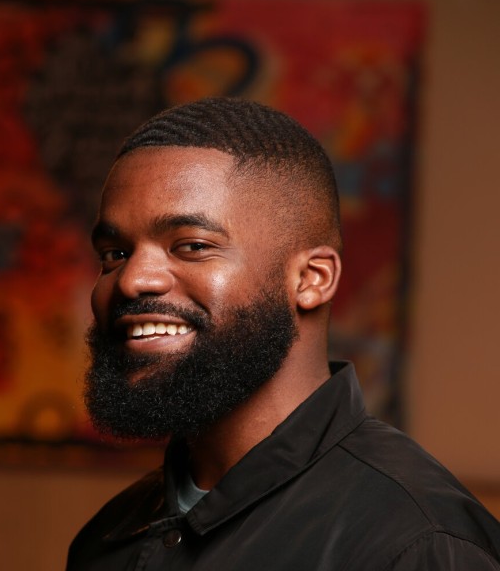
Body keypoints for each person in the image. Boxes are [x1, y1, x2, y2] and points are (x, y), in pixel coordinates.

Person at [67, 98, 500, 570]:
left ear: (311, 279)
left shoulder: (419, 543)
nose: (132, 280)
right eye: (114, 254)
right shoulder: (106, 539)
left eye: (192, 246)